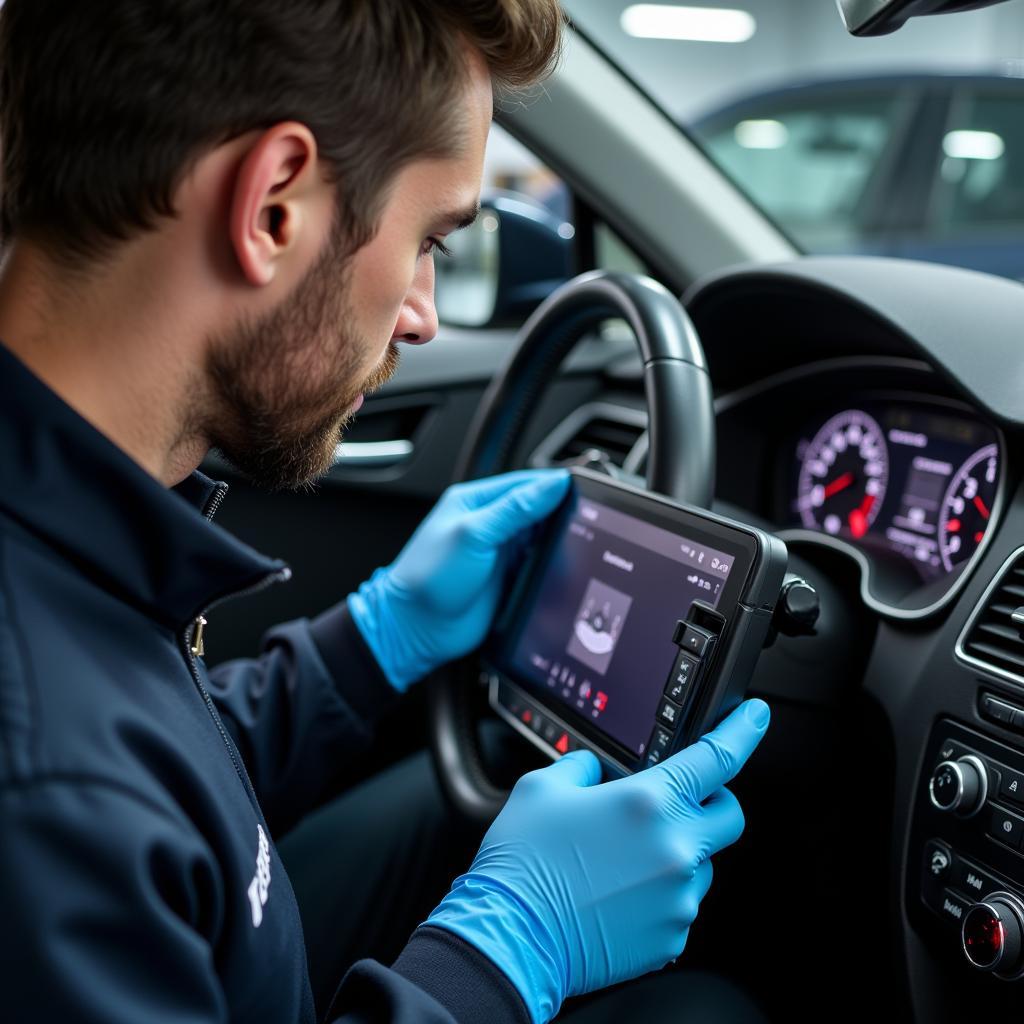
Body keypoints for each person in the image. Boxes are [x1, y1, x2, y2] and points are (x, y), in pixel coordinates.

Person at [0, 2, 771, 1022]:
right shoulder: (45, 796)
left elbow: (158, 778)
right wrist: (499, 959)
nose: (423, 312)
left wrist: (365, 645)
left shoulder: (73, 549)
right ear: (273, 204)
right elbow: (107, 795)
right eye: (429, 241)